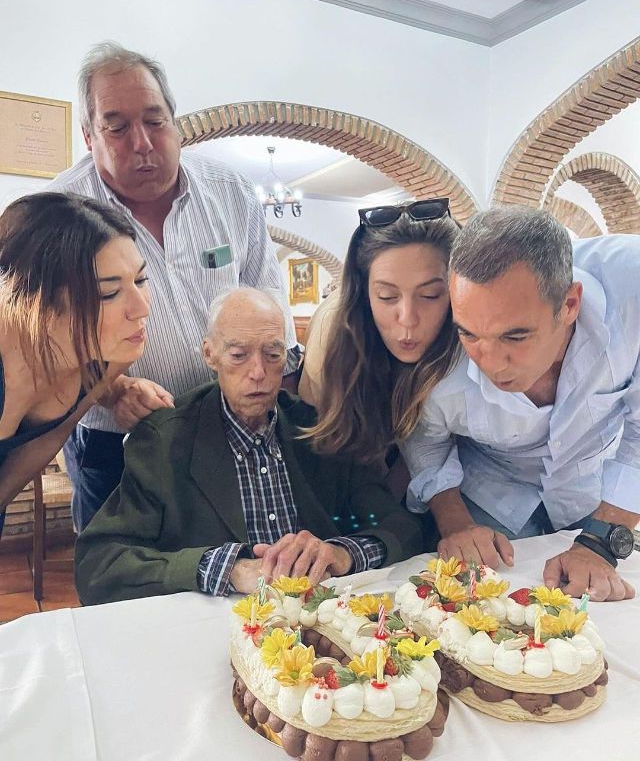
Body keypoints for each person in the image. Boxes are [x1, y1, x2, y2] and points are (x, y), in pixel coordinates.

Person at [48, 41, 299, 532]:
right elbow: (46, 335)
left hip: (227, 425)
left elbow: (270, 301)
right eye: (116, 127)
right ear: (88, 136)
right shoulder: (60, 212)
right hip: (113, 438)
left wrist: (277, 389)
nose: (141, 143)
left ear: (175, 120)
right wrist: (111, 389)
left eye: (155, 120)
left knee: (224, 566)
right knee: (119, 581)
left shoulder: (228, 191)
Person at [75, 288, 422, 605]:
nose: (258, 372)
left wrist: (341, 553)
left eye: (272, 355)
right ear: (210, 355)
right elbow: (99, 565)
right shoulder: (164, 441)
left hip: (319, 620)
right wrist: (228, 569)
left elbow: (400, 527)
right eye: (239, 355)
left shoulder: (319, 430)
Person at [403, 206, 639, 602]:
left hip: (592, 491)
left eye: (515, 336)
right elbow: (424, 438)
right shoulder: (437, 363)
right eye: (470, 334)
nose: (491, 364)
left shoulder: (633, 293)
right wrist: (455, 523)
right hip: (489, 496)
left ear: (568, 305)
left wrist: (602, 540)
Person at [0, 192, 153, 537]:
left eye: (140, 280)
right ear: (39, 302)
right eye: (109, 293)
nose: (141, 307)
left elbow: (52, 434)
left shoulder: (112, 354)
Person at [300, 198, 462, 471]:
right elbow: (328, 459)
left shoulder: (475, 337)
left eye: (430, 295)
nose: (408, 318)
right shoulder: (332, 341)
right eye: (387, 296)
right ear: (363, 294)